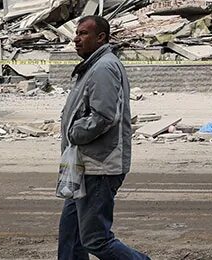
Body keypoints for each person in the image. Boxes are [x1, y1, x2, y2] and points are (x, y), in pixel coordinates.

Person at [57, 15, 150, 260]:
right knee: (71, 237)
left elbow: (104, 116)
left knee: (96, 240)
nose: (77, 39)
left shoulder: (103, 67)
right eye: (76, 34)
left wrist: (73, 133)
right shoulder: (92, 66)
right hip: (84, 165)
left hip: (99, 166)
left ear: (101, 38)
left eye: (84, 34)